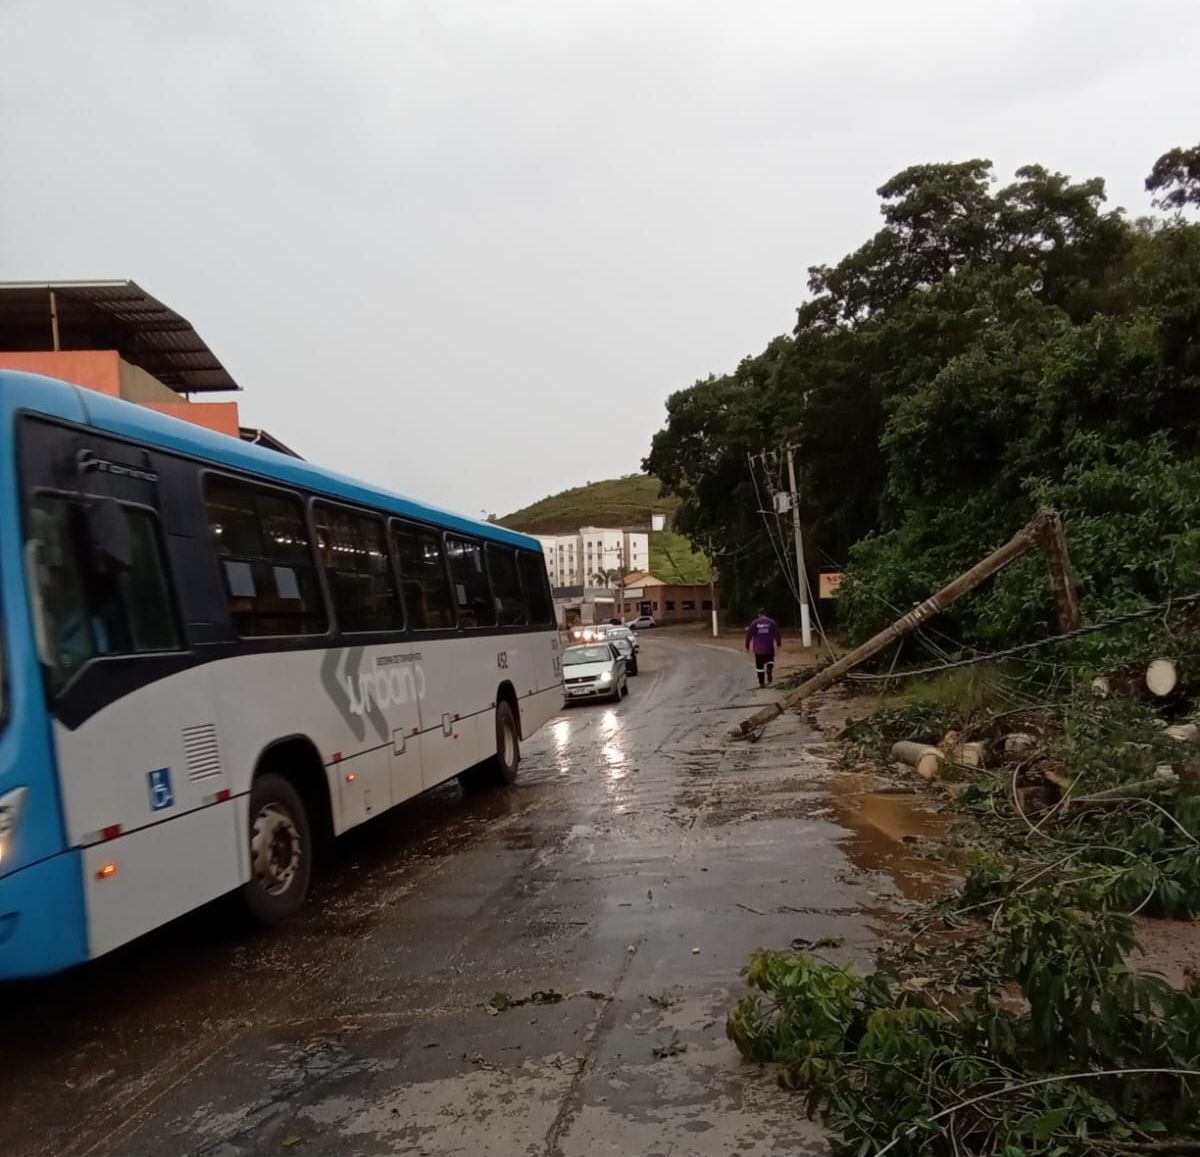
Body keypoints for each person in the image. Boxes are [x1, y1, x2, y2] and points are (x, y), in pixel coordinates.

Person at [745, 608, 782, 687]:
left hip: (758, 650)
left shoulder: (754, 623)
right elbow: (777, 633)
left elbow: (749, 635)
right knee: (770, 660)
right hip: (769, 647)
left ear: (759, 614)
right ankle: (769, 668)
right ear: (765, 613)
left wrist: (747, 645)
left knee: (759, 667)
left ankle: (761, 683)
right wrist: (779, 643)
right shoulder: (772, 622)